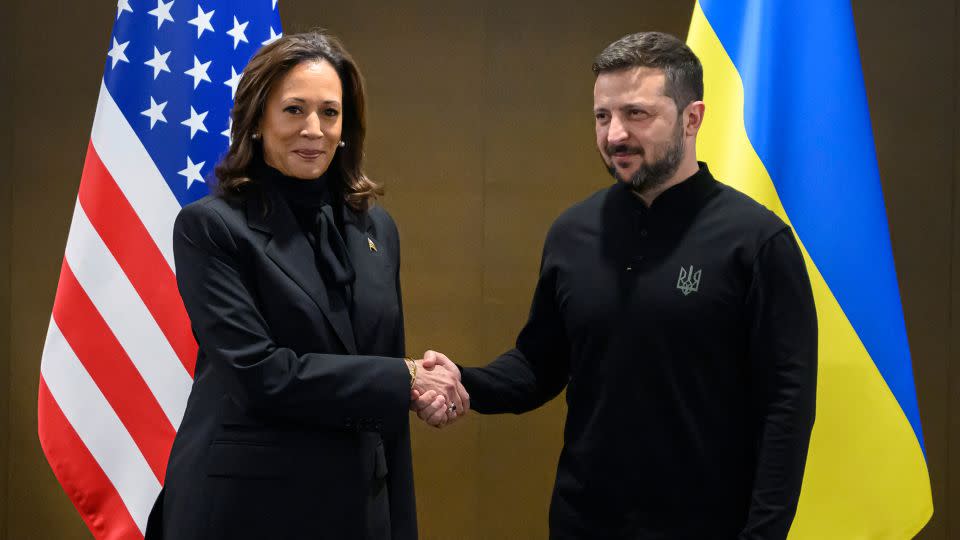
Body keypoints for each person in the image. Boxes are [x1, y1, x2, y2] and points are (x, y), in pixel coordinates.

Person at [414, 31, 817, 539]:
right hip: (584, 523)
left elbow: (787, 408)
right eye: (603, 116)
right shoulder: (572, 232)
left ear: (692, 118)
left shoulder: (758, 242)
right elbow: (539, 364)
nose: (614, 135)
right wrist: (460, 381)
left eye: (637, 114)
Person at [145, 31, 467, 540]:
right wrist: (402, 381)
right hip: (244, 510)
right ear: (256, 121)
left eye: (330, 113)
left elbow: (384, 369)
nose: (314, 130)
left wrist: (400, 516)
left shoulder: (375, 229)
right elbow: (259, 374)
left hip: (357, 508)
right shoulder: (209, 227)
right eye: (294, 110)